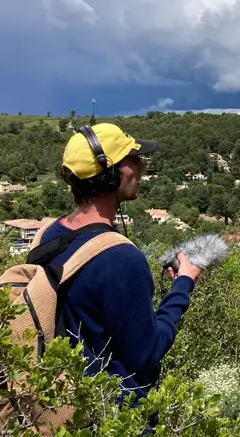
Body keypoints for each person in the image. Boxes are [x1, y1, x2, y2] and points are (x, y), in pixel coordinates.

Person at [36, 122, 202, 403]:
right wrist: (183, 286)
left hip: (61, 402)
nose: (141, 167)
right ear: (110, 176)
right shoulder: (120, 258)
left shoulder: (47, 236)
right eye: (133, 160)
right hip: (111, 412)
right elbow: (148, 353)